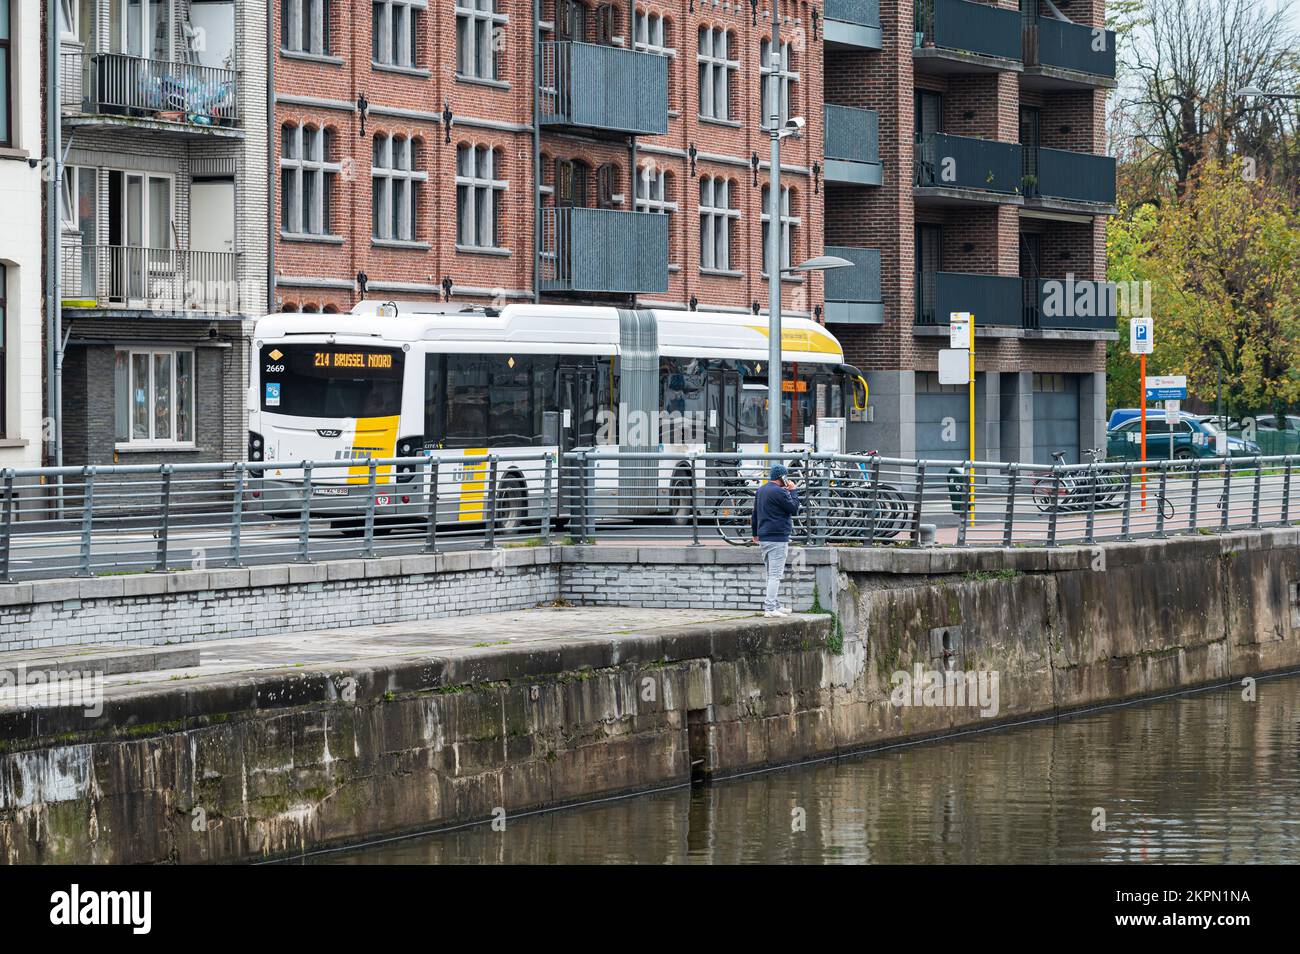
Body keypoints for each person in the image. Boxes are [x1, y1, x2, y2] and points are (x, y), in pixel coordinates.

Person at [750, 463, 801, 617]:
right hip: (778, 538)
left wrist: (755, 532)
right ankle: (770, 608)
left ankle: (775, 604)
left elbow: (754, 514)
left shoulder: (761, 490)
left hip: (764, 537)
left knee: (770, 573)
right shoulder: (780, 492)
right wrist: (793, 491)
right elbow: (794, 508)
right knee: (775, 575)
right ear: (782, 477)